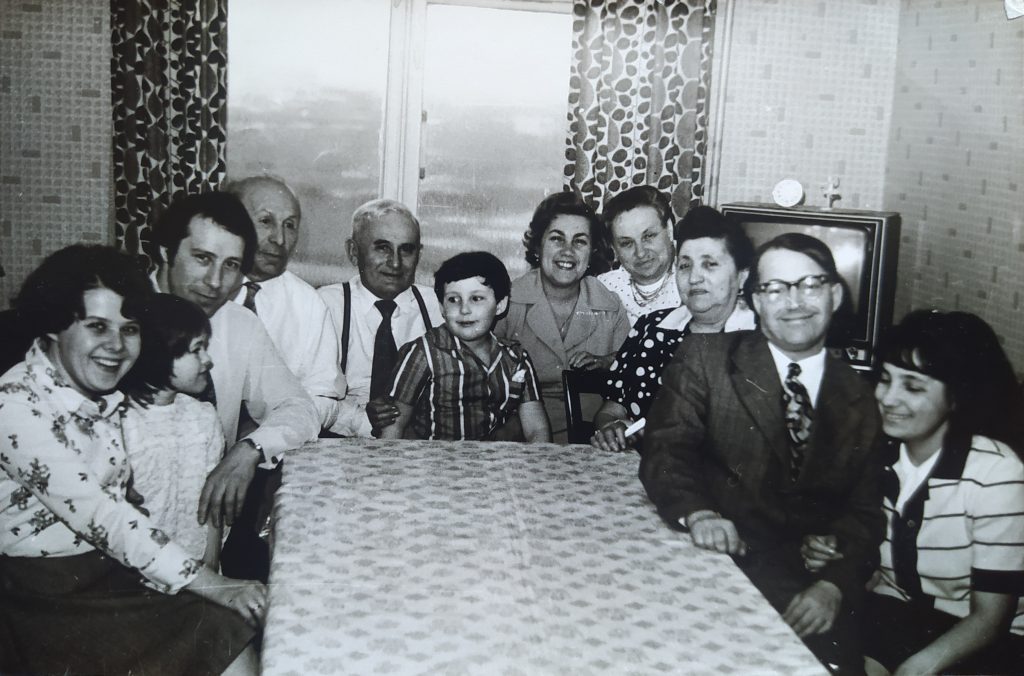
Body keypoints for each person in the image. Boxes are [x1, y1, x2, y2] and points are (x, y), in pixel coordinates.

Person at [0, 245, 263, 675]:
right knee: (223, 635)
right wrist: (213, 584)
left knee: (228, 637)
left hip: (108, 574)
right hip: (41, 599)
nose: (116, 346)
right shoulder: (13, 406)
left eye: (130, 329)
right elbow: (102, 515)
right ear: (53, 324)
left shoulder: (99, 395)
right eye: (97, 326)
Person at [639, 232, 886, 673]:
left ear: (834, 295)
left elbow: (865, 512)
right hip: (712, 565)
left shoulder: (859, 394)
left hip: (807, 589)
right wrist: (700, 514)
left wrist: (835, 584)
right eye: (775, 289)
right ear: (755, 301)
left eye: (809, 285)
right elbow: (666, 449)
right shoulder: (707, 359)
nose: (794, 302)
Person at [803, 310, 1024, 675]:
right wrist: (831, 551)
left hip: (984, 641)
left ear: (957, 397)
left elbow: (991, 620)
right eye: (885, 379)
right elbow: (879, 572)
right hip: (899, 618)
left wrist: (915, 669)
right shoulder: (876, 456)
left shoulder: (996, 474)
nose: (888, 398)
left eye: (913, 387)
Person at [151, 191, 319, 580]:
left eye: (230, 266)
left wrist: (248, 451)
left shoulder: (239, 324)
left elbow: (299, 408)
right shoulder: (119, 321)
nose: (216, 283)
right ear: (165, 253)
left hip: (210, 536)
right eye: (202, 258)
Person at [590, 206, 757, 452]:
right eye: (685, 266)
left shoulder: (762, 339)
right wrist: (611, 428)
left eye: (710, 264)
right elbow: (611, 411)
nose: (694, 278)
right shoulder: (650, 328)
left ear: (742, 277)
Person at [495, 191, 630, 443]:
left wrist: (607, 362)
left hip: (591, 440)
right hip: (520, 439)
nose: (568, 251)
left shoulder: (610, 306)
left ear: (592, 252)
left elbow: (628, 381)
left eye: (580, 242)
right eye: (557, 239)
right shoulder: (506, 303)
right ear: (538, 246)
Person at [381, 251, 550, 442]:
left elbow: (537, 428)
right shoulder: (424, 353)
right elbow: (394, 424)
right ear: (442, 308)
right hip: (434, 458)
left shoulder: (516, 358)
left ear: (500, 305)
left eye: (476, 298)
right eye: (453, 299)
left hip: (494, 458)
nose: (464, 309)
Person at [224, 175, 346, 431]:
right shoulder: (205, 288)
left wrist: (268, 434)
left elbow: (324, 396)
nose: (279, 239)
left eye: (290, 225)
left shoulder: (308, 304)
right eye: (266, 221)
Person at [319, 198, 443, 437]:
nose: (395, 263)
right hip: (343, 439)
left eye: (406, 249)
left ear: (419, 254)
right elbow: (310, 394)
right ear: (353, 252)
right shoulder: (326, 305)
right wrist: (360, 419)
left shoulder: (439, 306)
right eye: (382, 248)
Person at [120, 293, 224, 568]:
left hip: (199, 566)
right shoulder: (121, 424)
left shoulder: (203, 417)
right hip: (137, 571)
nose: (207, 360)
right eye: (196, 349)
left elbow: (214, 502)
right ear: (160, 354)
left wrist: (212, 565)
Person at [597, 186, 681, 325]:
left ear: (669, 229)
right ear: (614, 249)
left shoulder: (694, 280)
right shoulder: (603, 289)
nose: (640, 253)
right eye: (627, 243)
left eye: (649, 236)